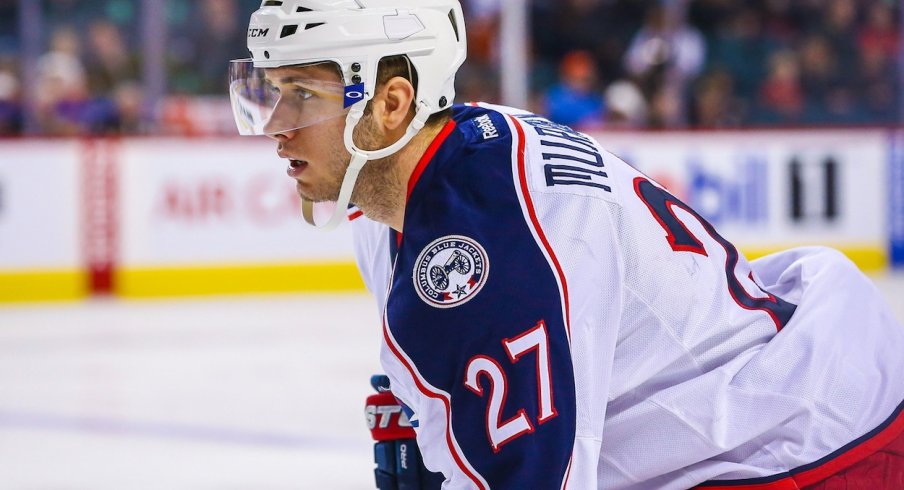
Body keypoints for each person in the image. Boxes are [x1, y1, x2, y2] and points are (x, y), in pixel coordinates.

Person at [229, 1, 904, 488]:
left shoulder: (481, 260)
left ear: (392, 103)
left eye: (303, 94)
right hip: (795, 394)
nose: (277, 126)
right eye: (271, 90)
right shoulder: (421, 171)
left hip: (808, 453)